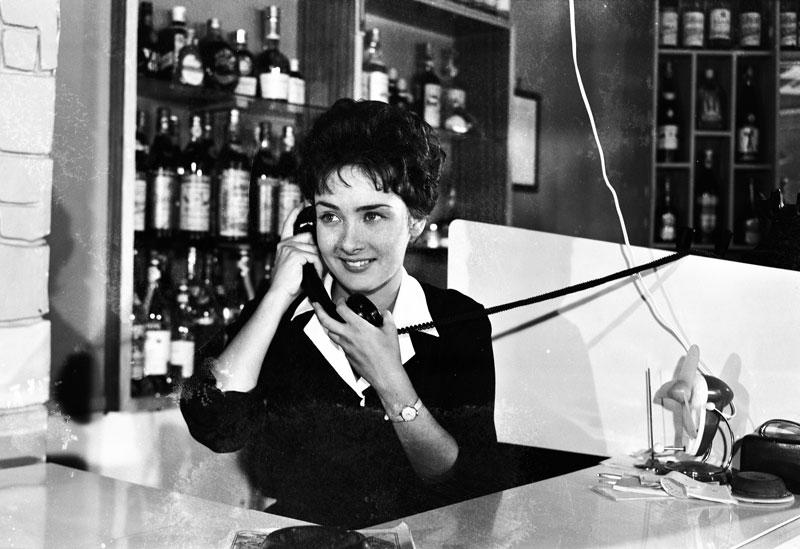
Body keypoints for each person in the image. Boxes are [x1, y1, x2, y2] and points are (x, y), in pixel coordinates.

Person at [180, 98, 498, 529]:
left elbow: (466, 487)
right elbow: (215, 426)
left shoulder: (459, 320)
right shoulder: (281, 316)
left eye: (373, 216)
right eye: (330, 216)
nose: (348, 242)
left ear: (417, 221)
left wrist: (391, 382)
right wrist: (277, 294)